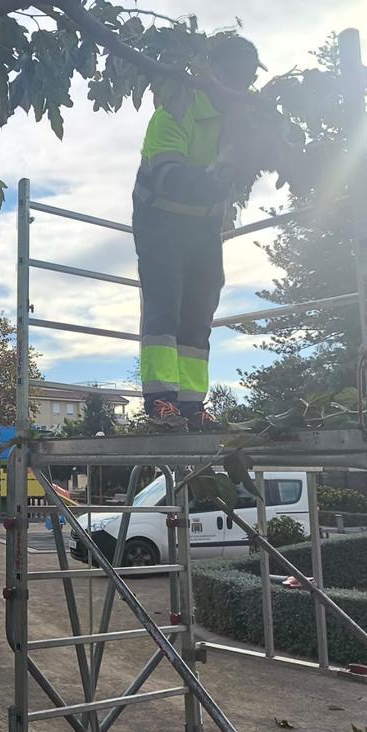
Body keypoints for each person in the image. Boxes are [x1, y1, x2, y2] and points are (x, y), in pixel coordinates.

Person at [133, 35, 267, 433]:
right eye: (237, 76)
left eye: (248, 78)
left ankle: (191, 407)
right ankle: (160, 401)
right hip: (161, 222)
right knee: (164, 309)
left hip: (204, 227)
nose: (243, 86)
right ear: (216, 73)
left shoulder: (241, 120)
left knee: (198, 314)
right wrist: (220, 176)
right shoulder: (176, 110)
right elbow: (169, 178)